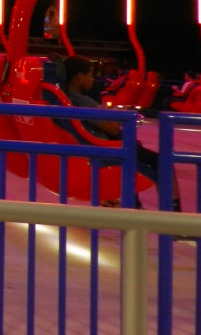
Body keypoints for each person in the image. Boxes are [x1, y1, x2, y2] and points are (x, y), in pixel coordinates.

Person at [64, 56, 189, 220]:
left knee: (135, 153)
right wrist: (113, 121)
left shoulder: (65, 98)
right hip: (107, 152)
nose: (92, 80)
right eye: (90, 75)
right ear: (79, 76)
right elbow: (113, 128)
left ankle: (134, 206)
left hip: (91, 150)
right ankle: (175, 219)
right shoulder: (82, 101)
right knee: (162, 163)